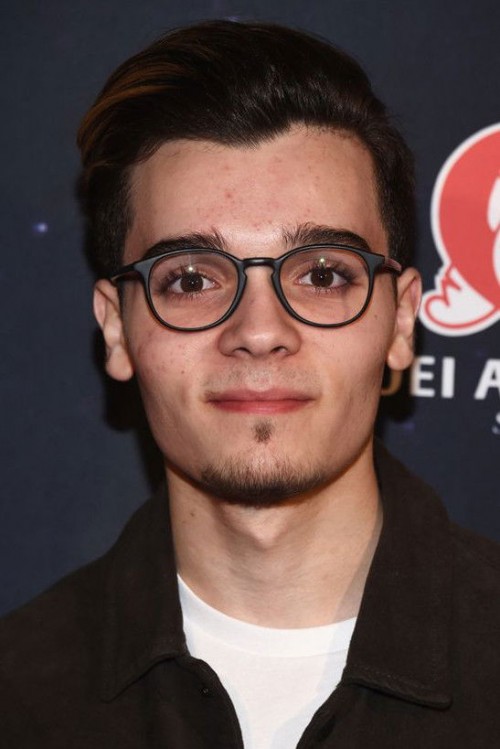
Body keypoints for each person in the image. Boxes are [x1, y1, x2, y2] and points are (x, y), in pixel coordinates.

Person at [1, 19, 500, 748]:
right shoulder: (18, 699)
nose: (260, 330)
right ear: (116, 328)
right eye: (191, 279)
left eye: (323, 274)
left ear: (400, 322)